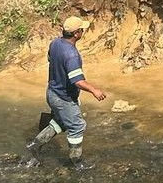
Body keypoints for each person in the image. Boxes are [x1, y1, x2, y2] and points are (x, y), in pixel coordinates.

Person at [25, 16, 106, 171]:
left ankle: (35, 144)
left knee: (61, 122)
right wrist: (95, 90)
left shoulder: (55, 43)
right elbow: (77, 81)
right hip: (63, 98)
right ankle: (77, 162)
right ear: (76, 33)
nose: (83, 31)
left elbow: (50, 58)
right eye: (81, 29)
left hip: (52, 93)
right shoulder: (72, 55)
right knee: (77, 126)